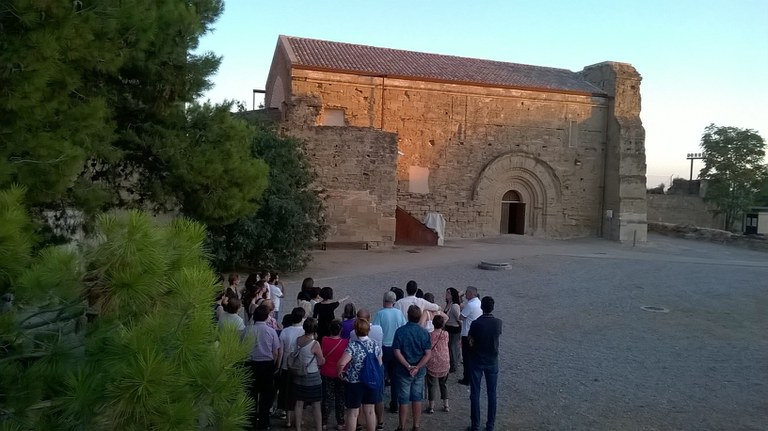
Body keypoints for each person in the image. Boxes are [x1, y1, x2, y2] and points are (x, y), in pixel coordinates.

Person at [337, 318, 383, 431]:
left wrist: (340, 372)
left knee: (353, 413)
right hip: (371, 380)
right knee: (370, 411)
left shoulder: (353, 346)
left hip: (355, 382)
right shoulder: (375, 344)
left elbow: (342, 363)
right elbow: (380, 362)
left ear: (356, 331)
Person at [392, 305, 432, 431]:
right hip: (419, 370)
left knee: (403, 400)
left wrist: (408, 366)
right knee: (417, 397)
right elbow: (428, 354)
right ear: (419, 317)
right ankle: (416, 425)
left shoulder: (400, 331)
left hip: (404, 370)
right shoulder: (424, 332)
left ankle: (401, 426)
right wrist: (417, 367)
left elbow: (397, 351)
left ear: (407, 316)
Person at [467, 297, 502, 431]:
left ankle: (475, 425)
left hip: (477, 359)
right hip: (492, 360)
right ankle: (490, 425)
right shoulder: (498, 323)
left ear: (482, 307)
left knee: (475, 393)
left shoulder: (476, 323)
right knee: (492, 393)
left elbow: (470, 340)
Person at [246, 304, 282, 430]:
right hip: (267, 364)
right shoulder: (271, 331)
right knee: (266, 396)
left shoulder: (247, 330)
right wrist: (275, 365)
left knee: (251, 394)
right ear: (266, 317)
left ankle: (250, 421)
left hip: (250, 363)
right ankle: (264, 422)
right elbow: (276, 351)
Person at [350, 309, 385, 430]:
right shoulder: (378, 331)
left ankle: (358, 423)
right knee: (373, 405)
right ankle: (380, 422)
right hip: (374, 369)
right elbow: (380, 361)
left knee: (355, 408)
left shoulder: (352, 335)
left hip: (357, 374)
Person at [373, 291, 406, 414]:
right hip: (396, 347)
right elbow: (403, 329)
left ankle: (379, 400)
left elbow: (375, 331)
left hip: (384, 348)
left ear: (384, 300)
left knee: (381, 375)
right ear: (394, 301)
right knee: (395, 377)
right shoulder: (399, 313)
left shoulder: (380, 314)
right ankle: (394, 403)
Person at [293, 317, 325, 431]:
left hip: (299, 374)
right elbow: (321, 361)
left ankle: (298, 428)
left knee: (299, 403)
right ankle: (318, 428)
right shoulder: (315, 344)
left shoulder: (298, 340)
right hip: (312, 375)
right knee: (316, 404)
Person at [279, 307, 307, 428]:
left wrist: (279, 366)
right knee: (298, 395)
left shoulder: (285, 331)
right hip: (299, 366)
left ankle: (288, 419)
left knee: (287, 393)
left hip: (286, 365)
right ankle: (298, 419)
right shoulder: (304, 332)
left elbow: (281, 350)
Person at [320, 320, 348, 431]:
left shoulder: (324, 340)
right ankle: (340, 422)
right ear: (341, 330)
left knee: (327, 398)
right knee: (340, 398)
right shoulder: (345, 342)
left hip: (327, 372)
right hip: (341, 372)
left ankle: (324, 422)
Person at [425, 315, 450, 414]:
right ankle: (446, 404)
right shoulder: (446, 334)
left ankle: (431, 406)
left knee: (431, 385)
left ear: (433, 324)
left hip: (433, 362)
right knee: (443, 384)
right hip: (444, 361)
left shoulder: (429, 335)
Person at [458, 286, 482, 386]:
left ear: (471, 294)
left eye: (467, 293)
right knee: (472, 356)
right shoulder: (478, 302)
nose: (466, 295)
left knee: (466, 357)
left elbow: (461, 317)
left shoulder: (470, 305)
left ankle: (466, 378)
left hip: (466, 333)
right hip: (475, 333)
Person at [444, 288, 462, 373]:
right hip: (448, 328)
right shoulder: (449, 303)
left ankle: (454, 365)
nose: (446, 294)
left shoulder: (454, 306)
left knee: (453, 347)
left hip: (454, 329)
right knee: (450, 347)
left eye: (448, 293)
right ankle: (452, 364)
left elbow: (459, 319)